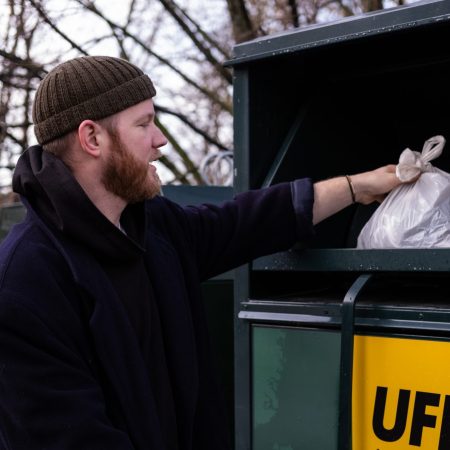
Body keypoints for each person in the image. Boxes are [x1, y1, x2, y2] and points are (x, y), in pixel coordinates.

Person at [0, 56, 402, 450]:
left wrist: (356, 186)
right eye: (144, 124)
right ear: (92, 138)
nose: (160, 141)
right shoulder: (25, 281)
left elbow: (246, 222)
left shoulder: (153, 227)